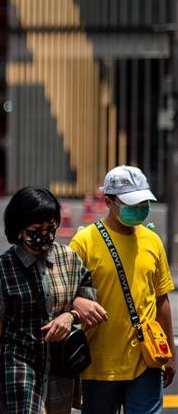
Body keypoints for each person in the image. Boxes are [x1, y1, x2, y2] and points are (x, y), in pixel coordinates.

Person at [0, 187, 105, 413]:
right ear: (19, 229)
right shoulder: (0, 270)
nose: (43, 235)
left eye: (50, 228)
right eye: (36, 229)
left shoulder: (70, 259)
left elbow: (88, 301)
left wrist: (70, 315)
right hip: (16, 365)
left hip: (59, 367)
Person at [70, 165, 175, 414]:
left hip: (146, 361)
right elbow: (61, 294)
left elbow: (162, 300)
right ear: (108, 201)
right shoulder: (84, 242)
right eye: (131, 203)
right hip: (99, 364)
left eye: (143, 202)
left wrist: (168, 353)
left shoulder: (153, 241)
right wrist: (76, 303)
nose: (139, 208)